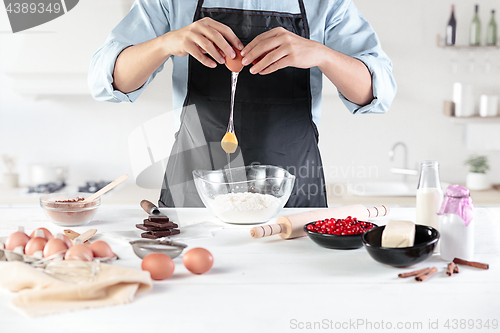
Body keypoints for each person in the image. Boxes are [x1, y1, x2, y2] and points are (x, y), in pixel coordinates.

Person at [89, 0, 396, 208]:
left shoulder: (325, 3)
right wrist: (166, 42)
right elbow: (107, 81)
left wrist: (321, 54)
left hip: (291, 200)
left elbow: (376, 93)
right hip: (196, 201)